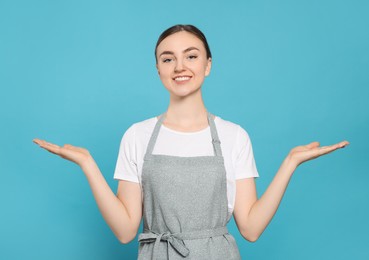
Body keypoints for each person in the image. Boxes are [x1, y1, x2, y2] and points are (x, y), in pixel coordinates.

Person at [33, 24, 349, 259]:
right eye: (168, 59)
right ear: (157, 69)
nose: (180, 66)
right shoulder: (137, 136)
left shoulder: (233, 136)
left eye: (191, 56)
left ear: (207, 65)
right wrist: (89, 165)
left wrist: (289, 163)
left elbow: (250, 228)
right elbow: (126, 230)